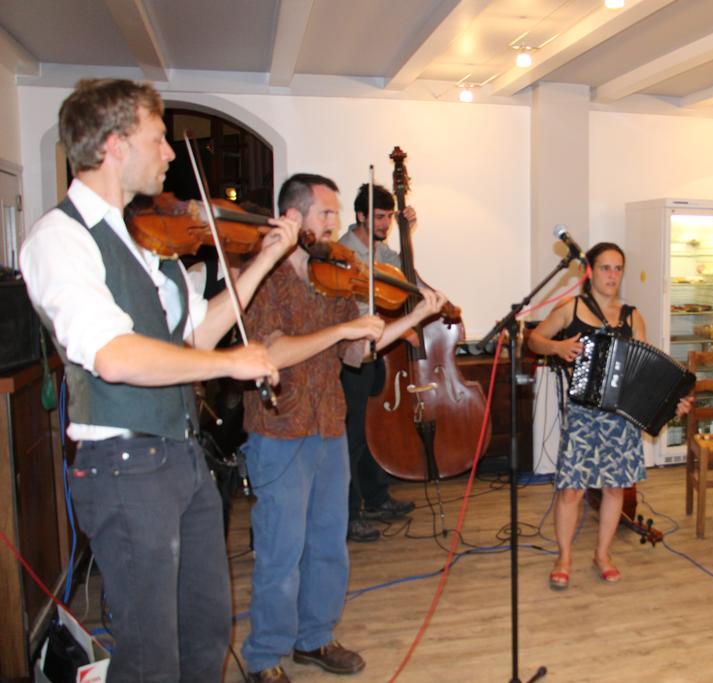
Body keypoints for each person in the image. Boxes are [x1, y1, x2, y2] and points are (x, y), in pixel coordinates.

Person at [19, 78, 298, 682]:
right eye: (159, 138)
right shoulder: (60, 239)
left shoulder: (148, 241)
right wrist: (232, 364)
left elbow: (194, 339)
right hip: (122, 465)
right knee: (151, 653)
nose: (171, 152)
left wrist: (265, 261)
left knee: (204, 630)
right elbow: (116, 357)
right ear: (115, 144)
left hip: (182, 458)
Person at [241, 173, 446, 683]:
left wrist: (413, 316)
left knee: (329, 543)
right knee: (280, 550)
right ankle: (264, 656)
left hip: (329, 424)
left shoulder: (327, 273)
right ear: (294, 218)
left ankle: (314, 637)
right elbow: (269, 351)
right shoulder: (262, 276)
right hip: (279, 429)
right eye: (326, 214)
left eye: (335, 215)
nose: (335, 224)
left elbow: (357, 351)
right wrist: (344, 327)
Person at [528, 242, 692, 590]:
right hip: (584, 413)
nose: (612, 275)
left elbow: (648, 373)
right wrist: (557, 347)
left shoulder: (632, 317)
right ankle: (565, 556)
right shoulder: (569, 308)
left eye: (618, 268)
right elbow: (534, 339)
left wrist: (671, 403)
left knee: (615, 489)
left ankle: (602, 555)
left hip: (621, 417)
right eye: (605, 268)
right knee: (572, 489)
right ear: (589, 271)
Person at [337, 183, 417, 542]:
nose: (385, 223)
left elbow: (407, 280)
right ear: (361, 216)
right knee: (352, 437)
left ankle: (376, 497)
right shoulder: (343, 253)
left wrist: (406, 233)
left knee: (370, 431)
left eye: (389, 217)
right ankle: (349, 515)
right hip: (351, 354)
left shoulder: (383, 251)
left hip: (376, 352)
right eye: (380, 217)